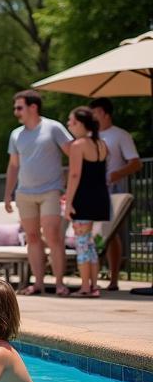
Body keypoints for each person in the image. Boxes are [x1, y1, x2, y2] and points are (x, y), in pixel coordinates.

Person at [3, 90, 72, 297]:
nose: (16, 112)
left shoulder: (53, 128)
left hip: (51, 190)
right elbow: (13, 166)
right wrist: (8, 194)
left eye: (19, 107)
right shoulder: (16, 134)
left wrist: (69, 184)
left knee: (53, 236)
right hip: (24, 193)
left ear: (33, 107)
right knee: (32, 236)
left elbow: (73, 153)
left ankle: (59, 283)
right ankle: (38, 283)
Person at [89, 97, 141, 291]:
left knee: (112, 234)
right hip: (92, 191)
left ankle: (114, 278)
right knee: (91, 234)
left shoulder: (120, 135)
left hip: (113, 191)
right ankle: (92, 278)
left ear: (103, 112)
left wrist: (114, 174)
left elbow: (136, 162)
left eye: (93, 112)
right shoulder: (89, 137)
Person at [63, 107, 112, 297]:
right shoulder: (102, 144)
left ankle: (85, 288)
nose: (69, 124)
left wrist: (68, 202)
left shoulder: (78, 145)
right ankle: (93, 285)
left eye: (71, 121)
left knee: (82, 242)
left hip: (83, 198)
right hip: (100, 197)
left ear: (81, 124)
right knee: (89, 243)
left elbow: (74, 175)